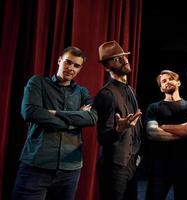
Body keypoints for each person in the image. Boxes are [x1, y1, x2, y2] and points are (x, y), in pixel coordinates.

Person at [12, 46, 98, 200]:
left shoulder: (82, 92)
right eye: (68, 62)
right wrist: (75, 120)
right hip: (36, 166)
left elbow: (92, 118)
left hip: (70, 170)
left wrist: (57, 113)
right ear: (59, 61)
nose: (71, 68)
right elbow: (30, 112)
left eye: (76, 65)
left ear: (80, 69)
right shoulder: (37, 83)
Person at [94, 40, 143, 200]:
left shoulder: (131, 89)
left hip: (132, 163)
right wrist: (118, 130)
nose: (124, 60)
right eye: (117, 59)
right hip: (114, 167)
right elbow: (102, 137)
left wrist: (137, 157)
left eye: (124, 56)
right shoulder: (106, 94)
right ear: (107, 67)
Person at [145, 70, 187, 200]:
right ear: (161, 88)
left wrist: (164, 127)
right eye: (163, 81)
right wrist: (184, 131)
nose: (167, 82)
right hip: (160, 166)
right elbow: (152, 133)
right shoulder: (154, 107)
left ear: (178, 82)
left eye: (170, 78)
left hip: (186, 166)